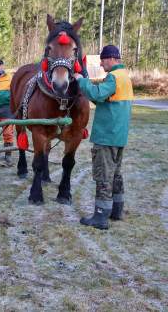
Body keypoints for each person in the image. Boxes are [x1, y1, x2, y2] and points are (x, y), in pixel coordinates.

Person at [74, 45, 134, 230]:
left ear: (112, 59)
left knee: (103, 176)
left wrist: (81, 81)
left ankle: (100, 217)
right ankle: (116, 210)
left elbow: (97, 93)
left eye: (103, 59)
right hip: (118, 136)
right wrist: (90, 90)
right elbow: (102, 98)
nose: (100, 63)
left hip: (107, 136)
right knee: (115, 174)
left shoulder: (114, 77)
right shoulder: (124, 77)